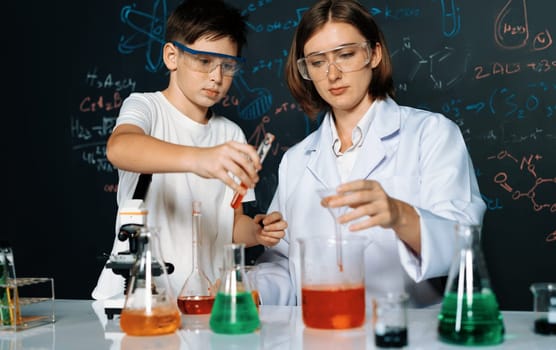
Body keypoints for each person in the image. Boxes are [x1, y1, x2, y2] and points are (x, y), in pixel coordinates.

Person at [255, 0, 486, 307]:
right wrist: (252, 290)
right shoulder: (297, 160)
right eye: (317, 62)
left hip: (405, 329)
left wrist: (399, 214)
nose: (333, 74)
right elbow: (284, 263)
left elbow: (463, 244)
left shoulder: (430, 134)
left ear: (374, 54)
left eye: (346, 55)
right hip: (322, 332)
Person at [92, 0, 286, 300]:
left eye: (228, 65)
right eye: (204, 61)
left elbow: (230, 225)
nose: (216, 77)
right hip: (141, 299)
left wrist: (256, 233)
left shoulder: (230, 133)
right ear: (172, 56)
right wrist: (200, 159)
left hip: (204, 296)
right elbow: (119, 148)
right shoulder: (146, 107)